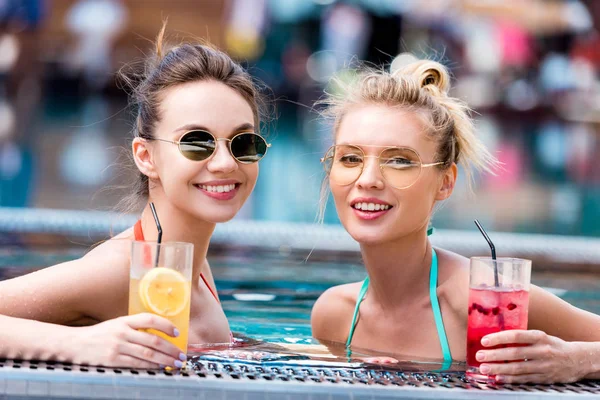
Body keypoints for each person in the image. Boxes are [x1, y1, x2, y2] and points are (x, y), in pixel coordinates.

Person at [311, 58, 600, 384]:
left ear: (446, 182)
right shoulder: (334, 315)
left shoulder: (480, 302)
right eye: (350, 158)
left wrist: (575, 360)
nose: (368, 179)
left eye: (400, 160)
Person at [0, 25, 270, 368]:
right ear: (145, 156)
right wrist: (73, 343)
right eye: (196, 141)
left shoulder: (192, 264)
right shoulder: (117, 270)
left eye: (243, 143)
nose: (224, 163)